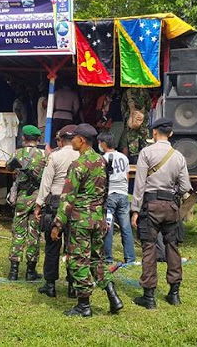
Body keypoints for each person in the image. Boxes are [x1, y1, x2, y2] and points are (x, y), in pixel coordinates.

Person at [51, 123, 124, 317]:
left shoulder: (77, 165)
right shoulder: (102, 162)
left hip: (80, 221)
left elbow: (67, 197)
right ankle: (113, 296)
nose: (71, 140)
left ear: (81, 140)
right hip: (98, 220)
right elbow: (105, 193)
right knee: (96, 260)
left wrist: (58, 224)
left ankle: (83, 306)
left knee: (78, 261)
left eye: (73, 137)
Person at [130, 117, 192, 309]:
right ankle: (174, 293)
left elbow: (139, 184)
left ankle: (149, 296)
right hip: (171, 206)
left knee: (149, 248)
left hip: (150, 205)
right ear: (171, 133)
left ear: (154, 132)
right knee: (172, 246)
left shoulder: (146, 153)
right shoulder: (179, 156)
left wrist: (135, 210)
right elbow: (185, 186)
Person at [34, 124, 80, 297]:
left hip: (54, 203)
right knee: (72, 247)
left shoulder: (54, 156)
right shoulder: (81, 157)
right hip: (74, 205)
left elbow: (46, 184)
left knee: (52, 246)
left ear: (61, 139)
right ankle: (73, 285)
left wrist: (38, 205)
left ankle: (50, 284)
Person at [6, 125, 46, 281]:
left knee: (18, 232)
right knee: (34, 233)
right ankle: (30, 271)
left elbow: (9, 167)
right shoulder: (44, 155)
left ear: (23, 138)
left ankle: (13, 271)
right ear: (38, 139)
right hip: (37, 197)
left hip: (22, 197)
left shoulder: (18, 153)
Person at [98, 132, 136, 264]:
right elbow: (126, 176)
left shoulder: (102, 159)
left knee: (108, 227)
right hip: (123, 194)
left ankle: (108, 258)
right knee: (125, 227)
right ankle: (130, 257)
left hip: (109, 195)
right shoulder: (124, 158)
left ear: (103, 144)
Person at [120, 88, 151, 163]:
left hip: (131, 122)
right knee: (145, 143)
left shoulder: (127, 93)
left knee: (132, 145)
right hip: (143, 121)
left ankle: (133, 163)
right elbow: (149, 106)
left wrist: (129, 115)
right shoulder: (145, 92)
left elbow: (123, 108)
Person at [51, 82, 80, 146]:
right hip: (68, 116)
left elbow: (51, 104)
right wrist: (73, 114)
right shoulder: (73, 94)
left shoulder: (57, 92)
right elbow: (76, 107)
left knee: (54, 134)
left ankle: (54, 146)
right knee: (67, 135)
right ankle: (66, 146)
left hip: (57, 115)